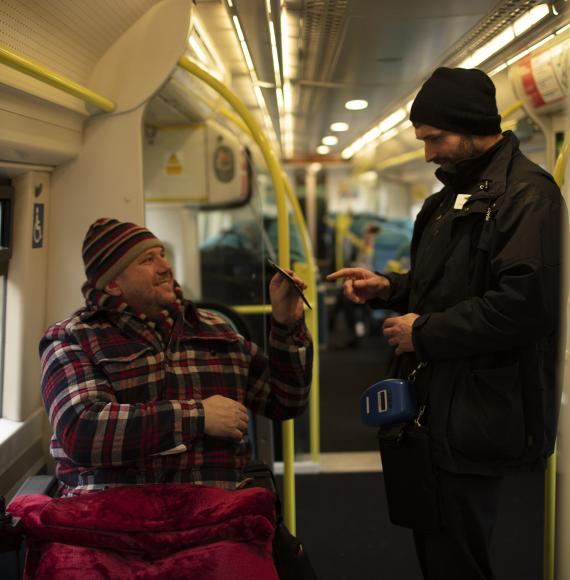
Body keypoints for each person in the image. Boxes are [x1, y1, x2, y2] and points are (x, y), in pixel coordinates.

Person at [327, 67, 565, 580]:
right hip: (437, 400)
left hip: (479, 405)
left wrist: (425, 333)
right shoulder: (443, 202)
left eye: (436, 139)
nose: (429, 153)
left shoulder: (528, 196)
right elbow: (447, 285)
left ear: (474, 125)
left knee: (459, 553)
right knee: (435, 543)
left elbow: (525, 305)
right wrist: (389, 289)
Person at [40, 218, 313, 495]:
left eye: (163, 255)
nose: (166, 267)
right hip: (112, 516)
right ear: (113, 285)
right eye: (147, 260)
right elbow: (82, 432)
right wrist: (199, 416)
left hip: (215, 514)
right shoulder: (73, 338)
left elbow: (285, 400)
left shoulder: (214, 329)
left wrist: (286, 326)